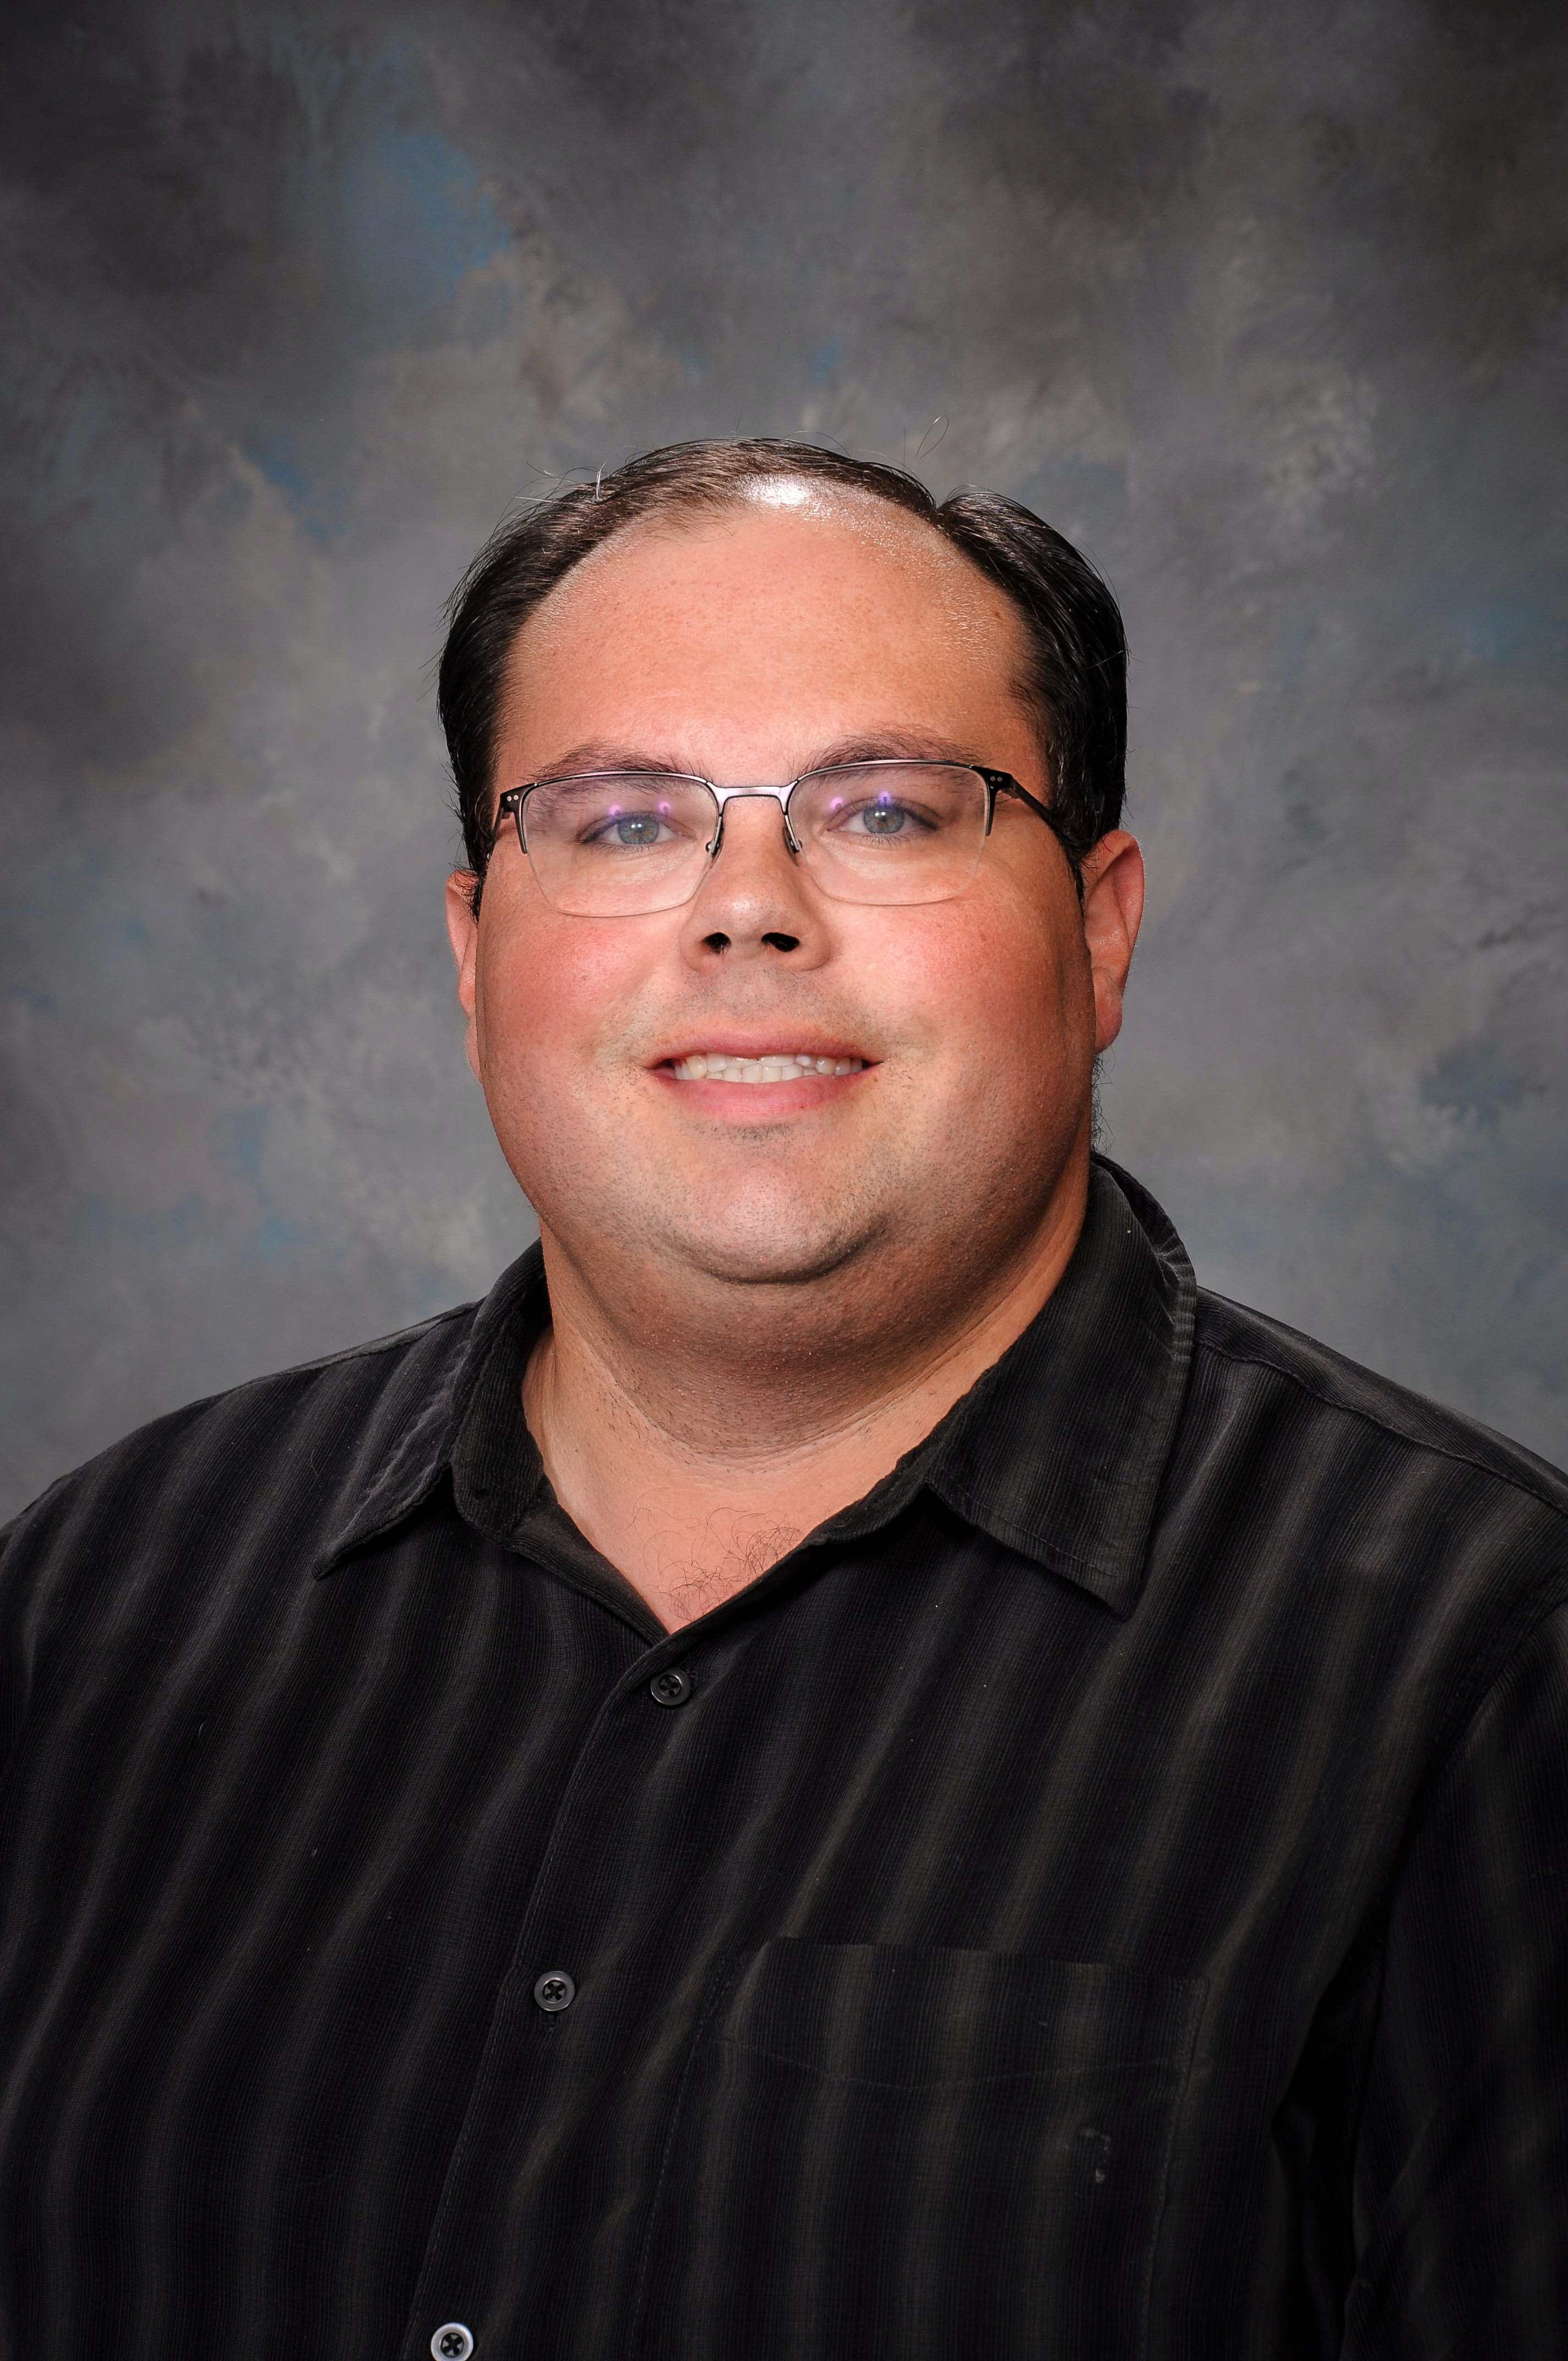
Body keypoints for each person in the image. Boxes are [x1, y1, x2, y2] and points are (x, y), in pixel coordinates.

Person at [1, 439, 1564, 2361]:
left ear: (1099, 933)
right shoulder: (93, 1607)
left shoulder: (1486, 1668)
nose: (749, 914)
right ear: (476, 954)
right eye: (623, 823)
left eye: (891, 811)